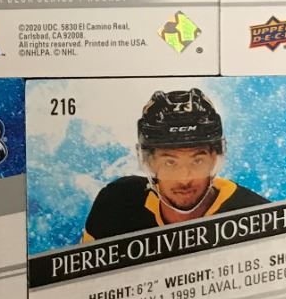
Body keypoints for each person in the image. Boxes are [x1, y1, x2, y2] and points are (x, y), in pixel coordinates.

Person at [81, 88, 267, 240]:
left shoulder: (259, 219)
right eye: (170, 162)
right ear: (150, 161)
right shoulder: (115, 204)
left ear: (214, 158)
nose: (184, 178)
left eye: (197, 161)